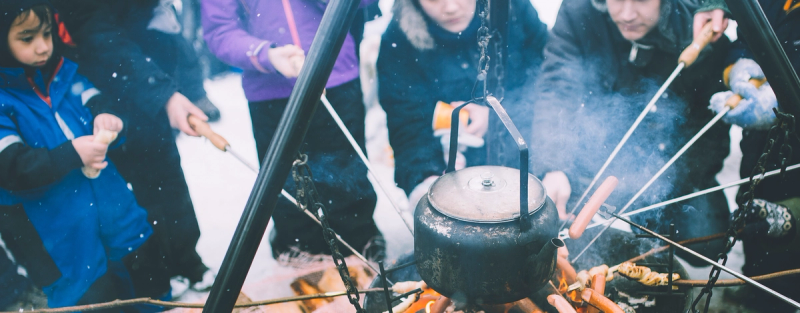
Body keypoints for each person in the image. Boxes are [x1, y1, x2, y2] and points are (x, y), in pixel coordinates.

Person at [530, 0, 732, 265]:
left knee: (708, 243)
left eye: (641, 0)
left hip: (672, 169)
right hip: (597, 162)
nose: (626, 14)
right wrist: (553, 164)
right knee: (566, 229)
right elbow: (557, 87)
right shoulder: (578, 11)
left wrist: (659, 186)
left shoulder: (696, 23)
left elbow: (708, 130)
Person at [0, 0, 171, 308]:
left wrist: (107, 119)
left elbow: (98, 101)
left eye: (47, 34)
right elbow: (11, 167)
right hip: (65, 246)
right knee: (96, 303)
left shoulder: (67, 74)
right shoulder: (4, 102)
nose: (43, 48)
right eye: (27, 38)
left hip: (122, 224)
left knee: (148, 290)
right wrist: (71, 154)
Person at [51, 0, 216, 293]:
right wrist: (162, 92)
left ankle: (186, 259)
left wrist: (181, 87)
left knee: (167, 182)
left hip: (148, 85)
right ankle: (157, 270)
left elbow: (162, 24)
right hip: (105, 94)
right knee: (133, 193)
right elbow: (100, 37)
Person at [202, 0, 385, 261]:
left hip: (336, 75)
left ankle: (359, 236)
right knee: (287, 176)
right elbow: (220, 31)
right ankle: (297, 242)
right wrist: (266, 53)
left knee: (346, 168)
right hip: (269, 91)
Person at [376, 0, 548, 208]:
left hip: (527, 152)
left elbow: (548, 83)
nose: (450, 7)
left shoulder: (514, 9)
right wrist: (426, 177)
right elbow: (406, 119)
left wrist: (499, 116)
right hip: (450, 164)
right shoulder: (399, 40)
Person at [700, 0, 800, 310]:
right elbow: (746, 39)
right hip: (761, 155)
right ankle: (759, 290)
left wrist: (787, 96)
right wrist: (741, 66)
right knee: (759, 236)